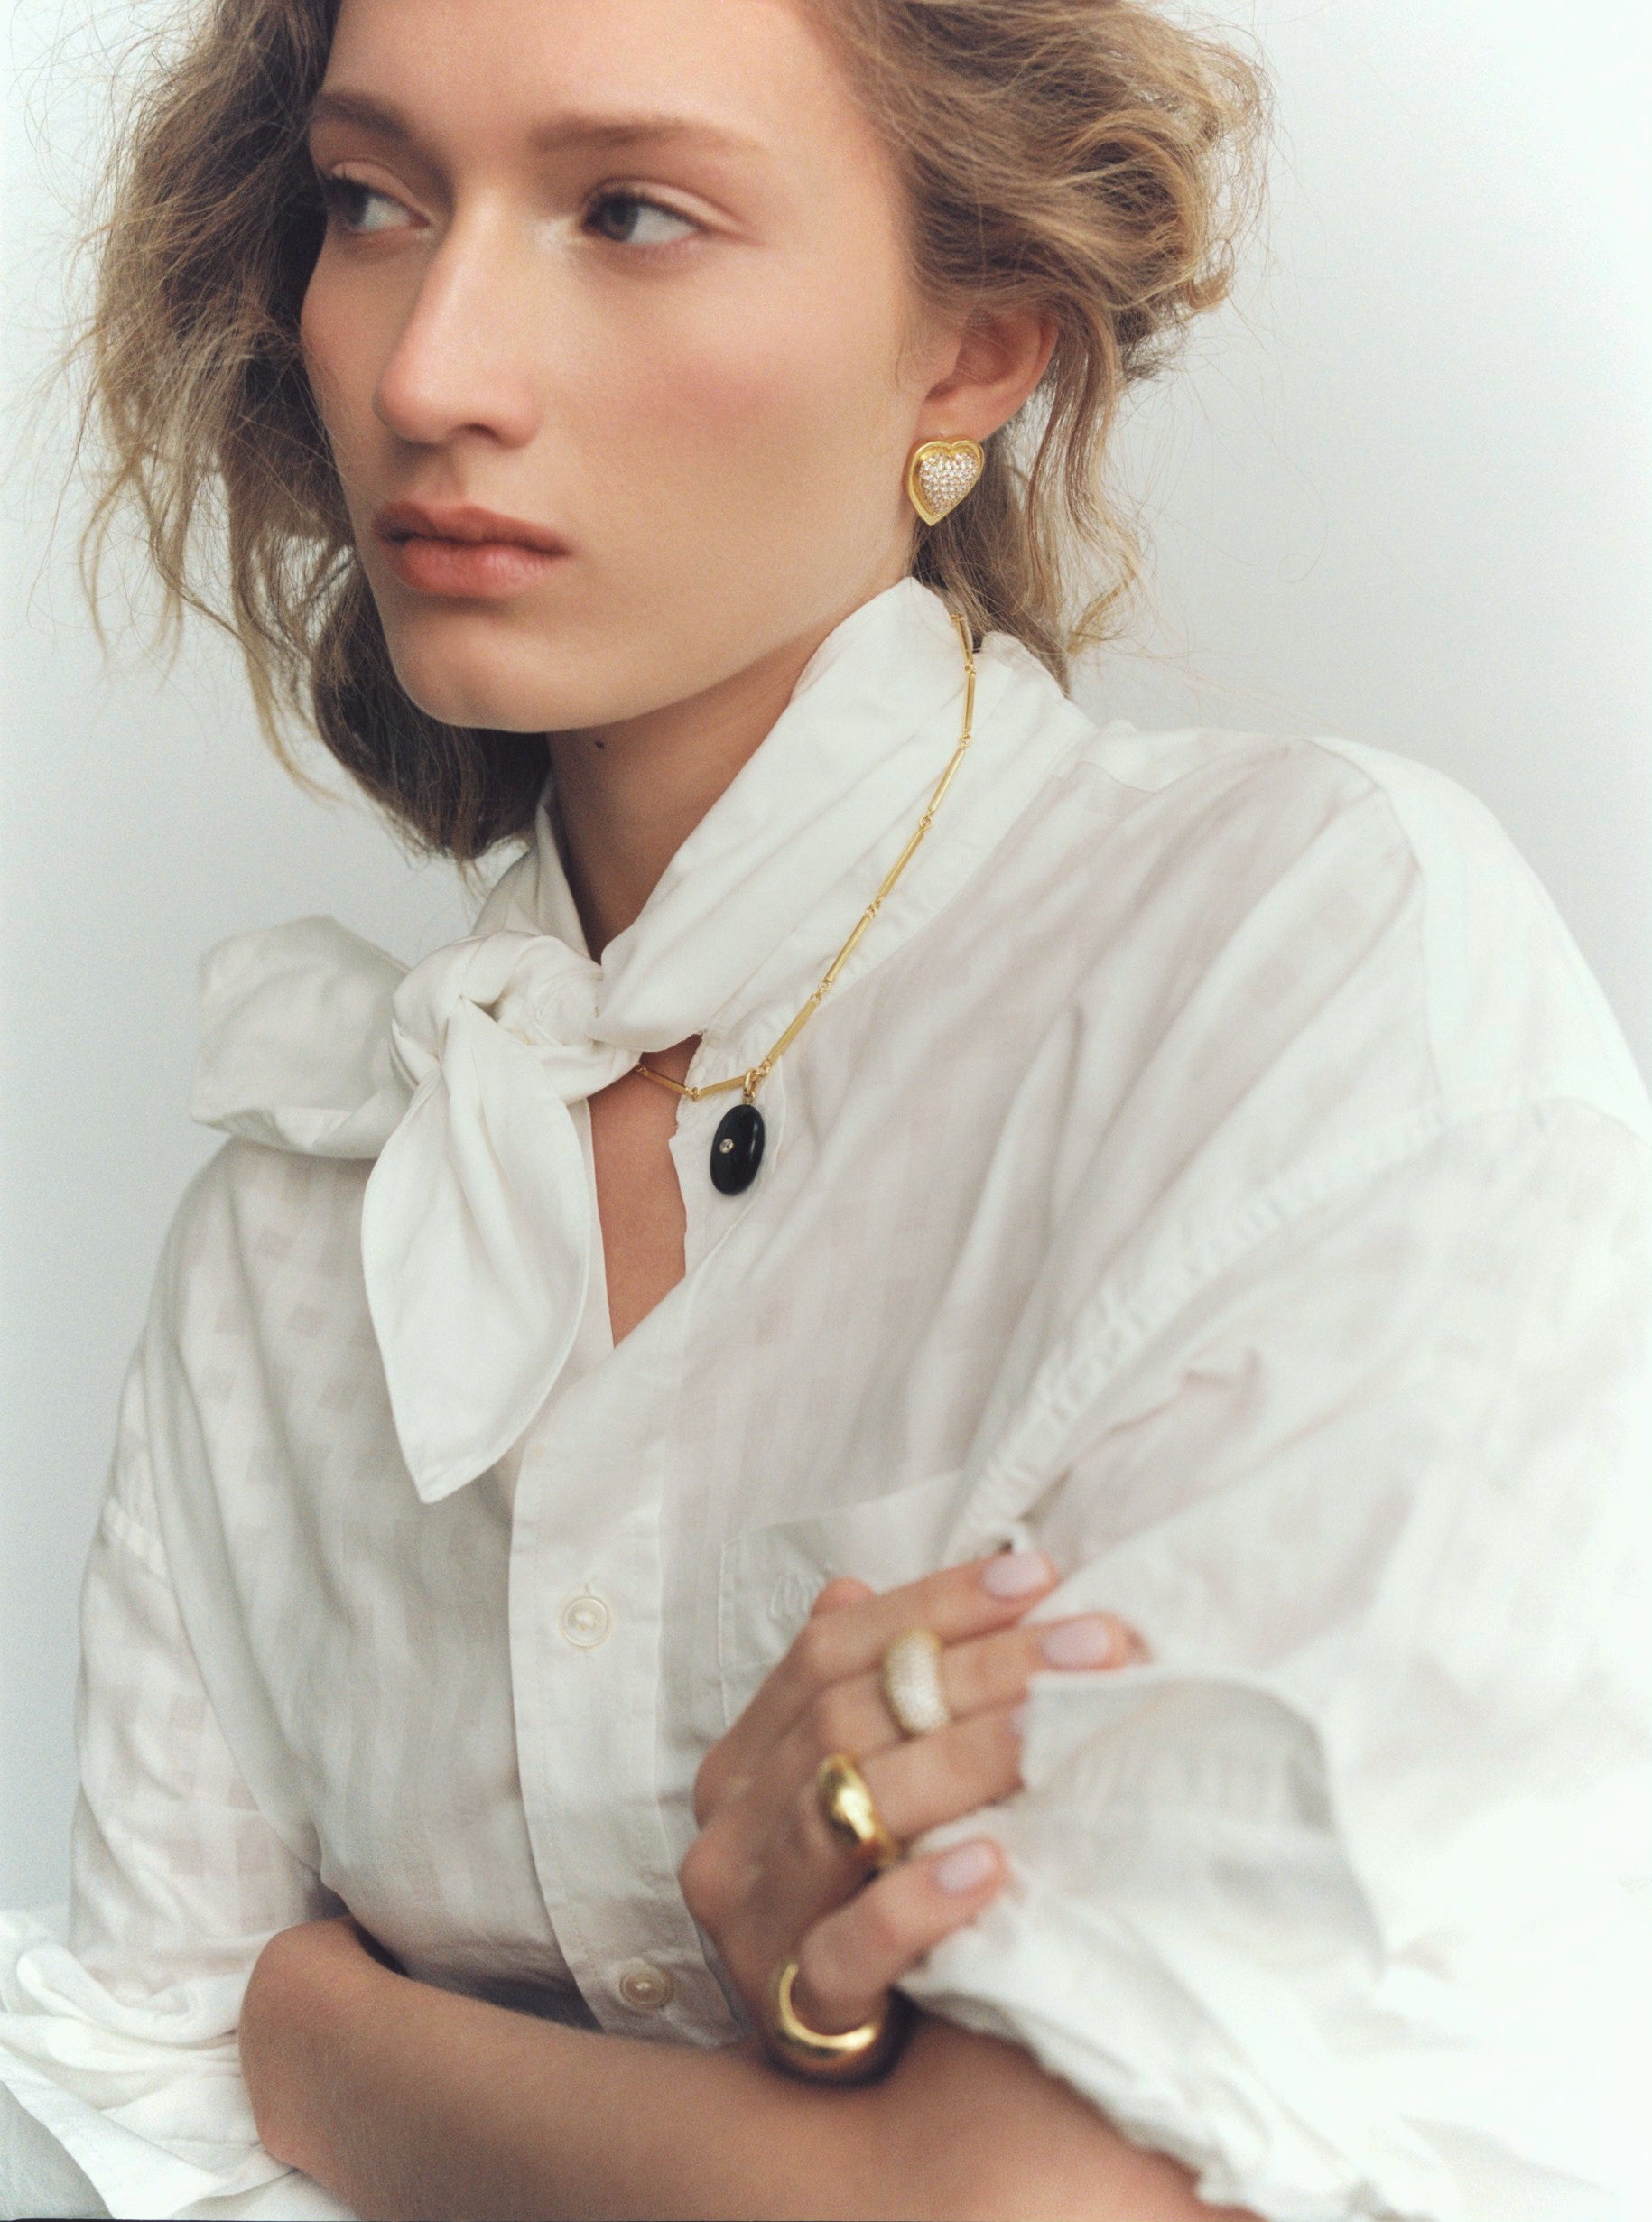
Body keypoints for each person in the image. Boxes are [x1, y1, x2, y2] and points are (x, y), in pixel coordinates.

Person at [3, 0, 1648, 2216]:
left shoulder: (1301, 965)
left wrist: (327, 2038)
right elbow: (121, 2126)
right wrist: (814, 2077)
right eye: (372, 202)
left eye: (628, 213)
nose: (428, 370)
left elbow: (1040, 2208)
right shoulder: (291, 1239)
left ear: (974, 347)